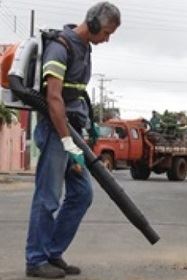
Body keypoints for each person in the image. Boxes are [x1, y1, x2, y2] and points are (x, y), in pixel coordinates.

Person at [25, 2, 120, 278]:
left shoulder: (84, 48)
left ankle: (51, 253)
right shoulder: (61, 46)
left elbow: (75, 94)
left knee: (81, 194)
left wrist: (79, 137)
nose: (107, 39)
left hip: (72, 134)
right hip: (57, 132)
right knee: (48, 197)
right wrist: (66, 141)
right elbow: (53, 97)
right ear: (91, 23)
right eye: (105, 32)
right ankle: (35, 260)